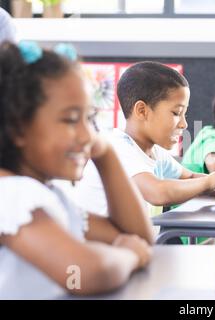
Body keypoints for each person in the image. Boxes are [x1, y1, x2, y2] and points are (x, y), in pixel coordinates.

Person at [0, 41, 153, 298]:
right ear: (18, 127)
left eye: (90, 118)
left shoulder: (47, 196)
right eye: (71, 119)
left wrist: (105, 154)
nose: (87, 136)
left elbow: (138, 236)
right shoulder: (10, 194)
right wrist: (130, 256)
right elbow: (83, 272)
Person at [75, 62, 215, 219]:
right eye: (177, 113)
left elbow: (192, 178)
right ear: (142, 111)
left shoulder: (155, 153)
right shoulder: (117, 148)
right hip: (102, 255)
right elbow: (158, 192)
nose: (184, 124)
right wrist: (209, 182)